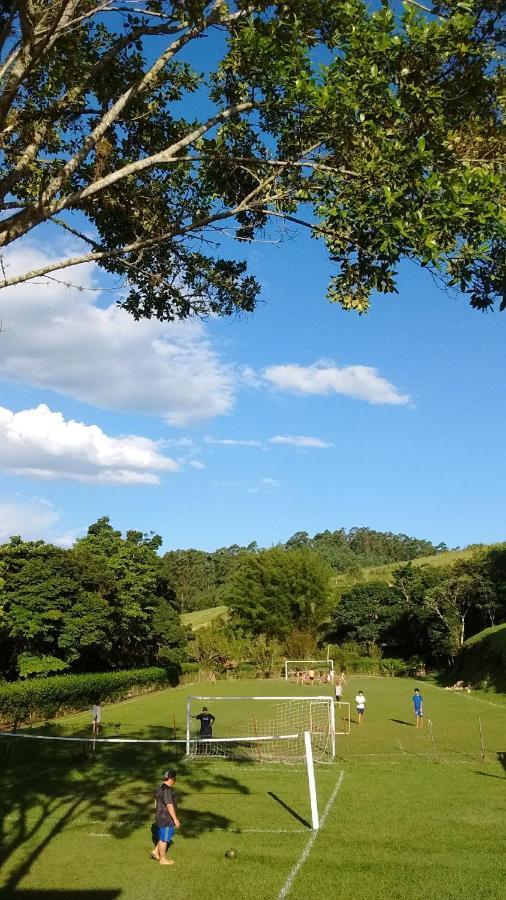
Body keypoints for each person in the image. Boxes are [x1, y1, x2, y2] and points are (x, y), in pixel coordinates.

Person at [151, 769, 180, 866]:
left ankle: (155, 852)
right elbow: (169, 805)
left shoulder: (159, 787)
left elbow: (155, 801)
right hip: (166, 818)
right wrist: (175, 819)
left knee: (164, 836)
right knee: (164, 839)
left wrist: (157, 813)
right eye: (175, 779)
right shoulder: (167, 790)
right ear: (172, 779)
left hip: (159, 816)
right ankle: (163, 859)